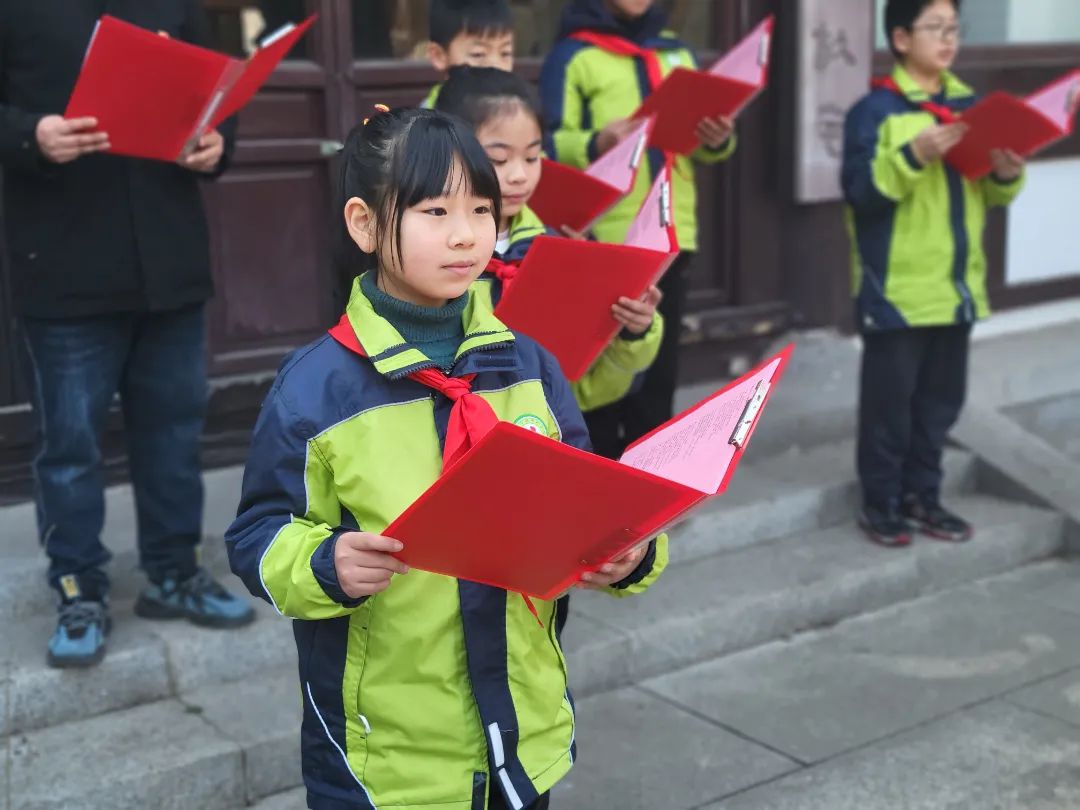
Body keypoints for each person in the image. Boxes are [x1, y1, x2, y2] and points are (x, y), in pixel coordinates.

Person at [225, 107, 668, 810]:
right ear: (365, 224)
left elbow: (587, 497)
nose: (466, 235)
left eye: (482, 210)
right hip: (385, 753)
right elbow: (256, 538)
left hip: (521, 727)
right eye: (435, 210)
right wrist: (323, 562)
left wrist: (626, 554)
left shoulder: (529, 365)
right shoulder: (315, 388)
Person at [0, 1, 255, 669]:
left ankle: (175, 572)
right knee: (70, 446)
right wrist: (31, 136)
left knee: (173, 432)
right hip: (62, 265)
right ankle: (79, 589)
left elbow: (220, 103)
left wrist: (217, 145)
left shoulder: (176, 6)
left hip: (169, 264)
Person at [842, 0, 1025, 547]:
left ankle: (925, 495)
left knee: (939, 408)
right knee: (888, 411)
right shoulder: (874, 111)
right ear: (900, 37)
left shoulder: (972, 107)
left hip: (958, 287)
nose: (948, 40)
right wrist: (913, 155)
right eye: (935, 29)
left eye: (954, 29)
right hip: (896, 290)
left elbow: (988, 194)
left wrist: (1007, 175)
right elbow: (860, 194)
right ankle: (881, 502)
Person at [539, 0, 736, 458]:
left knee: (659, 379)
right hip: (601, 238)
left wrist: (718, 137)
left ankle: (648, 505)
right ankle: (602, 497)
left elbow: (703, 148)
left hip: (671, 234)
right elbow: (542, 146)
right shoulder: (573, 56)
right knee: (601, 380)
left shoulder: (677, 53)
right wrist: (595, 142)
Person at [435, 65, 664, 418]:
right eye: (498, 159)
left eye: (532, 157)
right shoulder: (426, 258)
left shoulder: (554, 251)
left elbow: (583, 389)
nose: (519, 176)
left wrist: (633, 332)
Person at [421, 0, 514, 108]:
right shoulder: (429, 119)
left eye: (505, 53)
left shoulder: (517, 111)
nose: (497, 66)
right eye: (478, 54)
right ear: (438, 56)